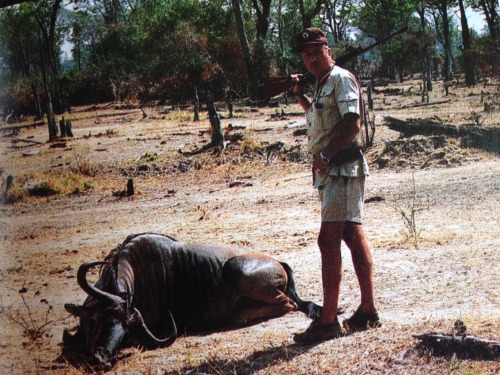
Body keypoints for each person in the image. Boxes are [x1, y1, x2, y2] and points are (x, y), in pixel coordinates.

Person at [291, 27, 381, 344]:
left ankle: (328, 321)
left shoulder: (340, 79)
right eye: (306, 55)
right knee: (351, 235)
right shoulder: (322, 84)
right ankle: (368, 310)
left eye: (317, 52)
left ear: (328, 50)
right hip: (331, 171)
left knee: (327, 242)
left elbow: (352, 123)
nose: (312, 59)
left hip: (341, 168)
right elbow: (322, 118)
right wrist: (301, 96)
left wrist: (327, 155)